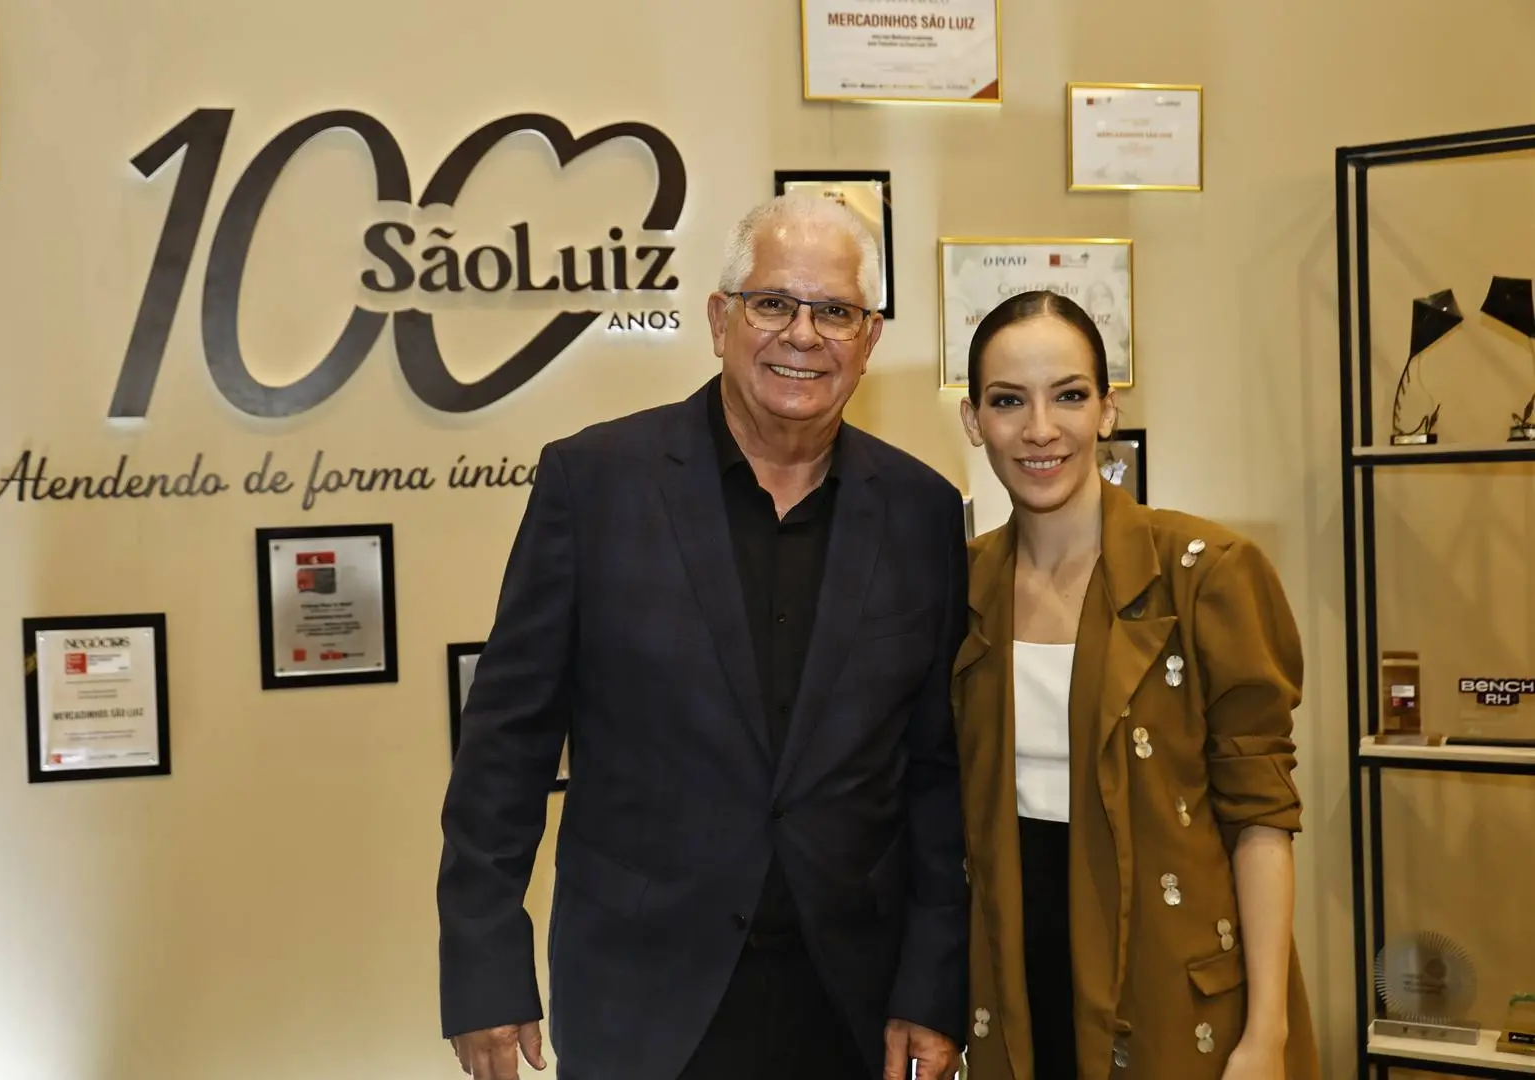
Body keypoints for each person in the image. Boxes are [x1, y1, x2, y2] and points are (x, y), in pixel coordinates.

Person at [437, 192, 970, 1080]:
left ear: (870, 339)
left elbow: (935, 774)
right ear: (721, 319)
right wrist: (484, 965)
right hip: (640, 1001)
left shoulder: (922, 512)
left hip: (849, 1006)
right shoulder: (593, 484)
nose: (803, 335)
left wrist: (933, 984)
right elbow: (505, 749)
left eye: (835, 312)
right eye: (774, 303)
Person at [952, 290, 1321, 1080]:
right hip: (1013, 981)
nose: (1040, 429)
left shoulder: (1206, 575)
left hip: (1169, 988)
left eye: (1069, 395)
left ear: (1107, 410)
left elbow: (1260, 817)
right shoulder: (959, 585)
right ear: (973, 420)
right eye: (1008, 400)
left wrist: (1267, 1034)